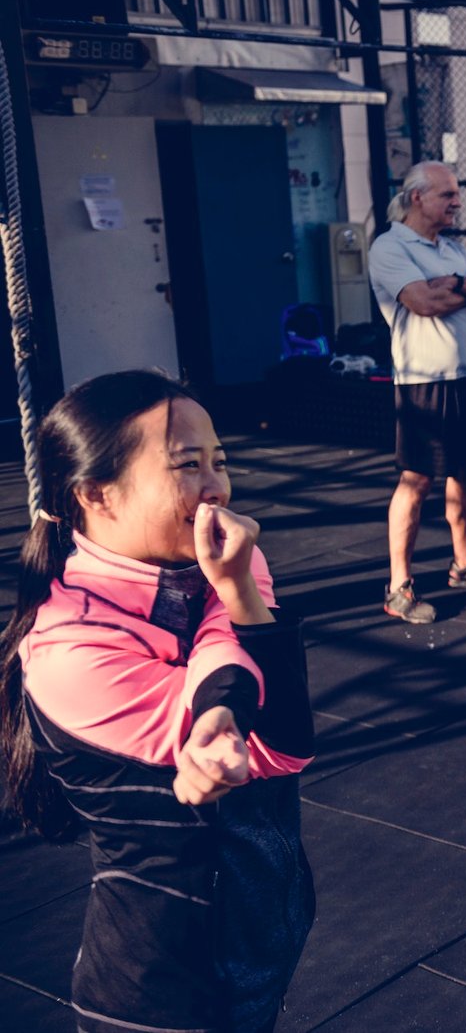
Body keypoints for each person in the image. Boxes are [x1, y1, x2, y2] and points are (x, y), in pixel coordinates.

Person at [0, 370, 316, 1033]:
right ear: (96, 495)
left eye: (219, 462)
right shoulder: (66, 651)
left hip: (259, 945)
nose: (216, 486)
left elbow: (218, 634)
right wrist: (223, 711)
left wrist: (221, 704)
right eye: (186, 465)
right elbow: (280, 750)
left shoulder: (225, 566)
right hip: (163, 991)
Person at [369, 160, 466, 624]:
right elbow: (422, 304)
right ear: (417, 198)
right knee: (416, 480)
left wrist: (455, 283)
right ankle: (398, 587)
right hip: (423, 381)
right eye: (447, 194)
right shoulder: (390, 247)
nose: (457, 202)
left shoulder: (452, 249)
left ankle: (465, 564)